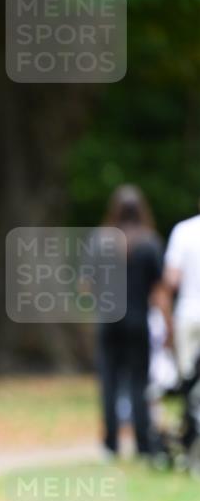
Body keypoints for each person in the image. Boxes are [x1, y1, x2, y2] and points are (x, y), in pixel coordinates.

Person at [95, 185, 164, 459]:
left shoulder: (100, 241)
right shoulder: (149, 242)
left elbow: (86, 284)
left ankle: (110, 445)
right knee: (138, 382)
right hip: (137, 321)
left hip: (108, 322)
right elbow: (159, 289)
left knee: (109, 383)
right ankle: (143, 445)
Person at [163, 201, 200, 456]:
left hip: (188, 313)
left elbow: (171, 279)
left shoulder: (183, 231)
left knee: (189, 380)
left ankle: (192, 441)